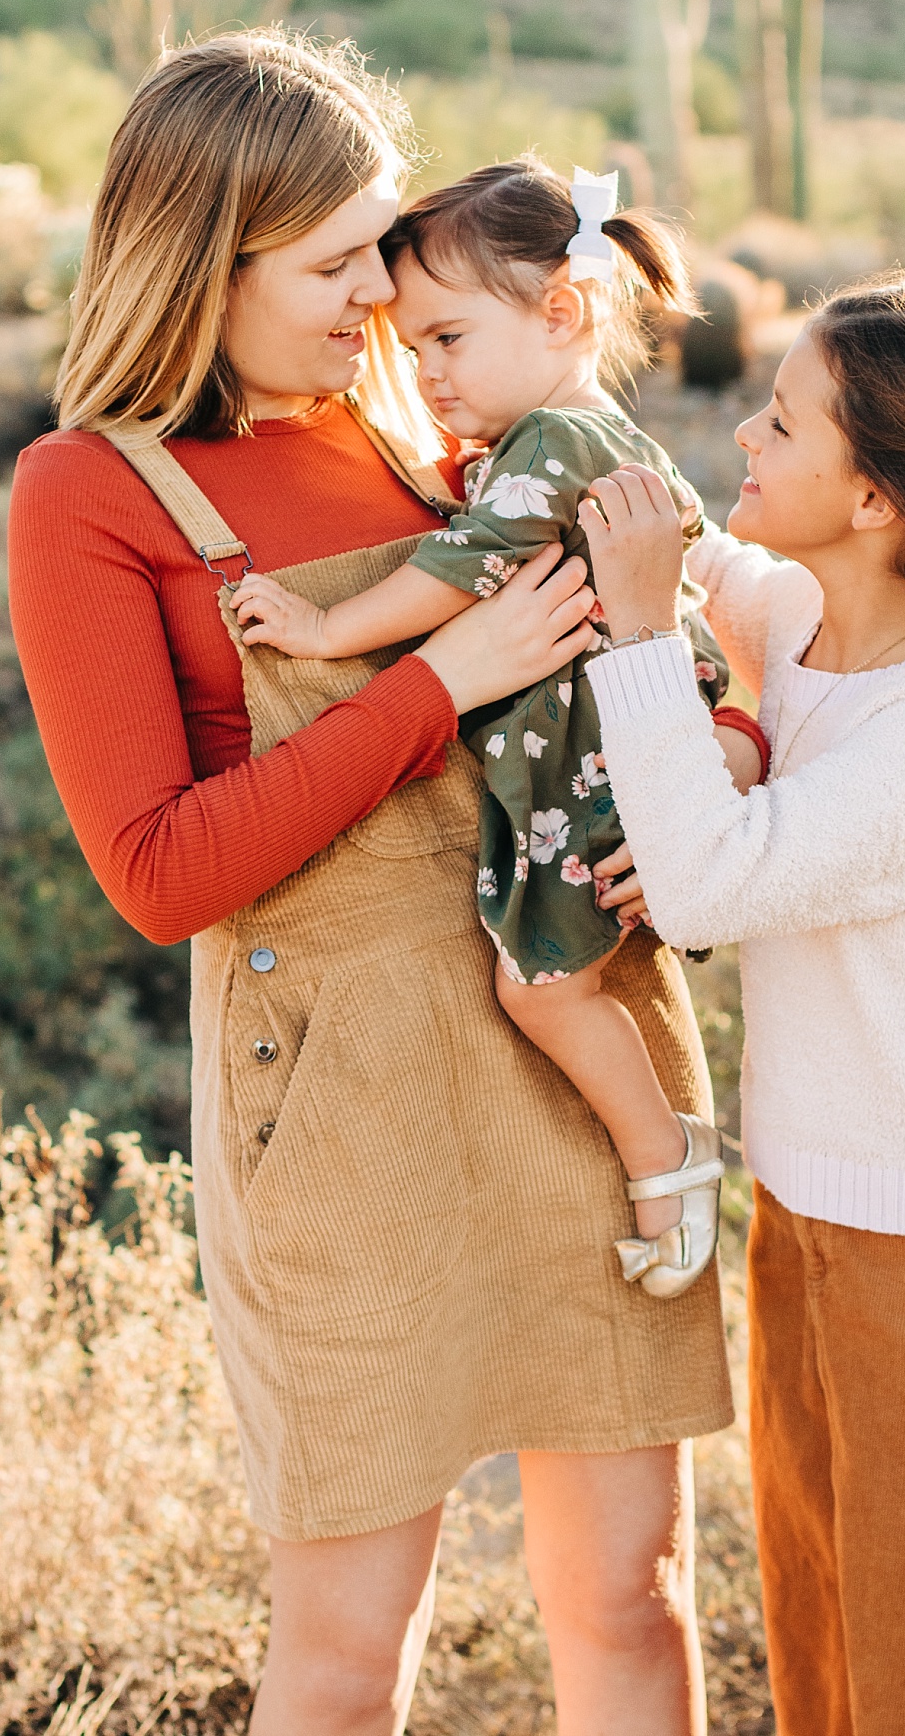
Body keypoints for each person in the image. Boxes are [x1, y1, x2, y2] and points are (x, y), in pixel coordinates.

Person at [7, 30, 738, 1736]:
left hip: (570, 1042)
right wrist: (439, 679)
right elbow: (161, 871)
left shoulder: (437, 431)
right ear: (206, 254)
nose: (373, 295)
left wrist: (734, 749)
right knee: (347, 1655)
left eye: (380, 250)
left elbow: (695, 592)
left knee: (628, 1599)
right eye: (334, 263)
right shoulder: (90, 495)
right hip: (333, 1098)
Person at [580, 275, 905, 1734]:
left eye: (782, 418)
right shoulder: (805, 613)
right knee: (835, 1645)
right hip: (814, 1211)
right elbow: (700, 551)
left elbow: (702, 881)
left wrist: (638, 633)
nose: (741, 433)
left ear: (874, 495)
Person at [229, 157, 762, 1298]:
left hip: (599, 768)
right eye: (413, 349)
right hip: (608, 754)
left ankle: (666, 1160)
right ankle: (662, 1158)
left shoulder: (557, 447)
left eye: (448, 340)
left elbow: (459, 573)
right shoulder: (585, 437)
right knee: (546, 984)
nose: (423, 373)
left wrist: (324, 632)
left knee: (541, 989)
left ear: (559, 312)